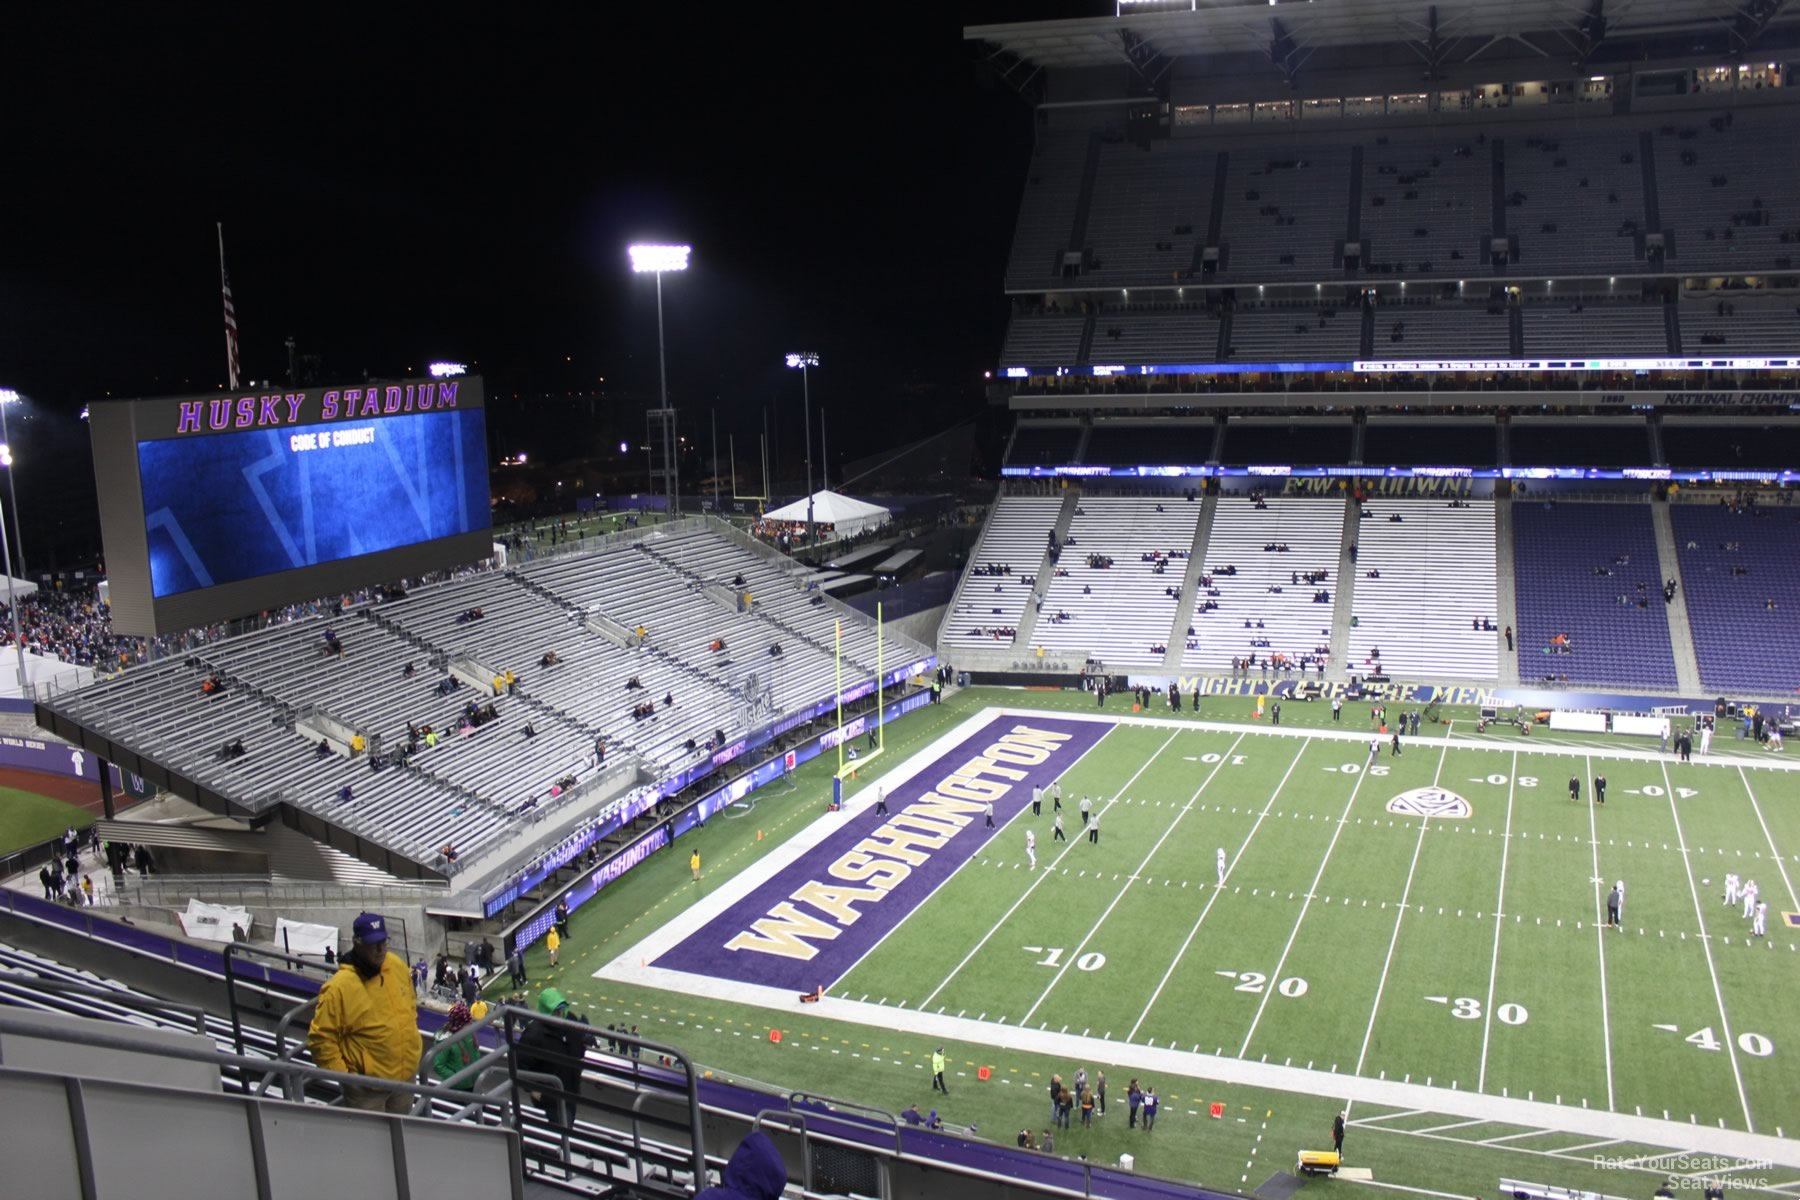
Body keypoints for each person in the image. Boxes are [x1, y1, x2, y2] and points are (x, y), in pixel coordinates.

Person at [306, 912, 422, 1113]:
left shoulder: (395, 965)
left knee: (402, 1135)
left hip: (405, 1077)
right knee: (374, 1142)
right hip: (368, 1090)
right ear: (357, 943)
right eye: (372, 944)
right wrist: (348, 1079)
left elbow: (410, 1004)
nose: (380, 949)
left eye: (383, 942)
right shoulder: (339, 987)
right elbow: (321, 1040)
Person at [515, 988, 588, 1129]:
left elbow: (578, 1045)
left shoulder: (570, 1020)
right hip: (551, 1096)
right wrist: (536, 1092)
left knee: (569, 1121)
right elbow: (521, 1065)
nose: (560, 1014)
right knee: (563, 1128)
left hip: (571, 1089)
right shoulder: (534, 1034)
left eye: (562, 1009)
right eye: (556, 1011)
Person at [430, 1001, 477, 1090]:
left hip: (472, 1084)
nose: (469, 1025)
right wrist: (456, 1079)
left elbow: (474, 1053)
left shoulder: (468, 1035)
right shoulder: (446, 1040)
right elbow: (438, 1065)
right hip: (454, 1088)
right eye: (467, 1023)